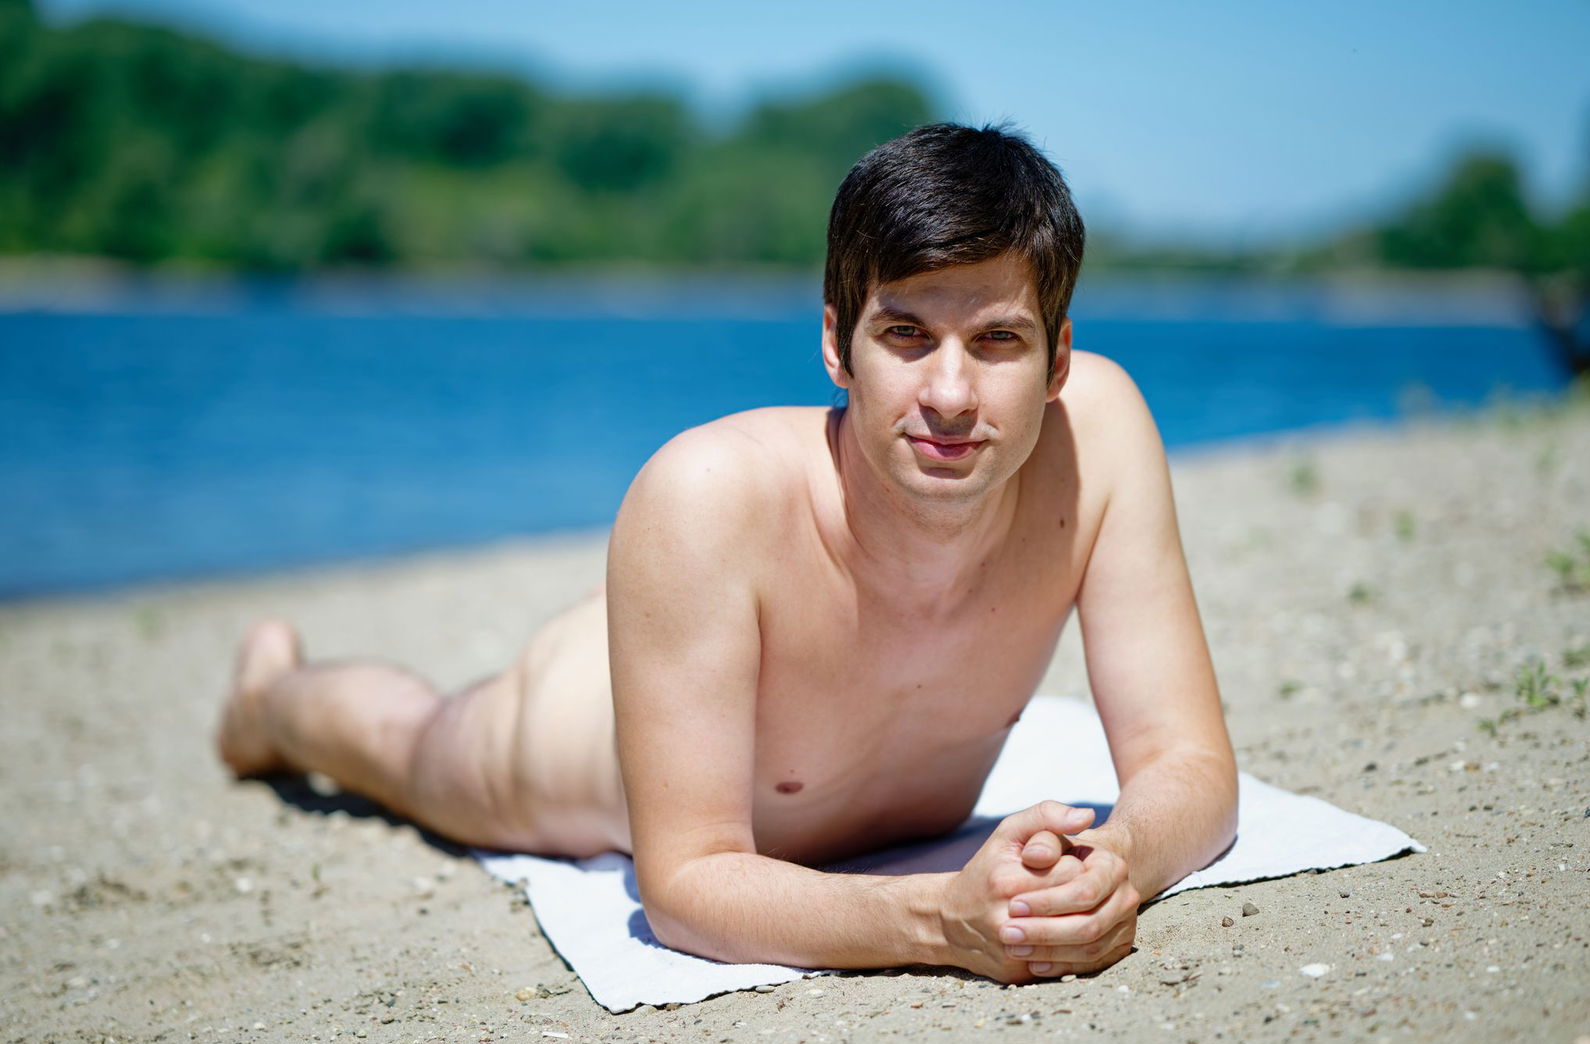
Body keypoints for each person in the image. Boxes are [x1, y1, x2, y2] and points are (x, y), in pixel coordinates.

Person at [217, 123, 1238, 985]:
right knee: (411, 745)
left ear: (1058, 359)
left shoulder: (1097, 436)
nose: (949, 396)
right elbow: (685, 885)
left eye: (998, 341)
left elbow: (1189, 764)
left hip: (712, 619)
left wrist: (1113, 864)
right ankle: (268, 702)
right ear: (837, 344)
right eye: (906, 335)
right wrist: (940, 921)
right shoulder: (702, 492)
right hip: (576, 719)